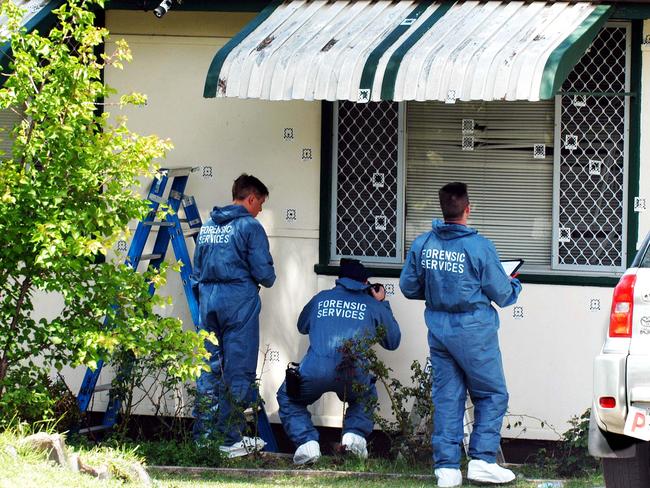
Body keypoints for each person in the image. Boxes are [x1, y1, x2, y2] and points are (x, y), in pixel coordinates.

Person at [399, 182, 522, 488]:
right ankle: (481, 460)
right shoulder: (480, 247)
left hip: (439, 332)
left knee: (447, 398)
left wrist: (437, 289)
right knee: (492, 394)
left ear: (443, 210)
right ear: (468, 209)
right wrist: (514, 283)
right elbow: (503, 295)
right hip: (475, 333)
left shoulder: (424, 244)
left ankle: (448, 470)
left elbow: (408, 287)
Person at [277, 259, 401, 465]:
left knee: (288, 397)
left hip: (315, 369)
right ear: (365, 284)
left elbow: (302, 326)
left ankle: (307, 443)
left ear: (339, 280)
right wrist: (381, 303)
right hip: (353, 372)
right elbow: (393, 341)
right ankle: (354, 439)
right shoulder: (372, 305)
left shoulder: (321, 299)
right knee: (365, 396)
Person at [191, 173, 276, 458]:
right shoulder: (249, 227)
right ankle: (229, 439)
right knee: (239, 371)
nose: (261, 210)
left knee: (209, 369)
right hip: (238, 304)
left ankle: (204, 437)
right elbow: (265, 274)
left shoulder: (207, 226)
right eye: (261, 203)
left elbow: (197, 268)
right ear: (250, 198)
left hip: (209, 303)